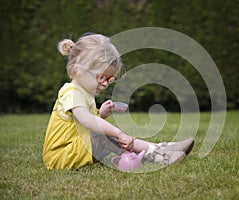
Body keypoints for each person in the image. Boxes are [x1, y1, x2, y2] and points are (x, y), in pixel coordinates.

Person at [43, 32, 194, 170]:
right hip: (59, 157)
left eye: (110, 79)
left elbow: (82, 123)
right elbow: (88, 120)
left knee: (106, 133)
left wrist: (100, 114)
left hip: (74, 149)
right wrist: (118, 132)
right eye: (101, 77)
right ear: (77, 70)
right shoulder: (72, 93)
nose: (105, 83)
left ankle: (160, 149)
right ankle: (156, 154)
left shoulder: (83, 92)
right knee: (106, 135)